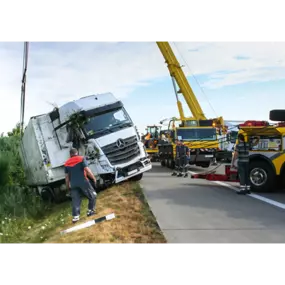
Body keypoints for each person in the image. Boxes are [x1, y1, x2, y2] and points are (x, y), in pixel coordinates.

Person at [64, 148, 97, 223]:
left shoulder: (66, 163)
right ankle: (90, 211)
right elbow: (87, 170)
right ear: (77, 152)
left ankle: (75, 217)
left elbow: (66, 177)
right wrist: (93, 178)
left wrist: (67, 187)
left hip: (73, 184)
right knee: (93, 195)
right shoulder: (81, 158)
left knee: (75, 200)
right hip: (83, 181)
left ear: (70, 154)